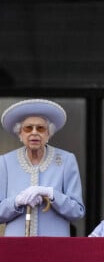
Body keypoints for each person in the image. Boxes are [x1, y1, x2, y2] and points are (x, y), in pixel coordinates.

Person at [0, 99, 85, 236]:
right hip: (16, 247)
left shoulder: (66, 160)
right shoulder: (5, 162)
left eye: (40, 128)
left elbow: (77, 212)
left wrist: (51, 194)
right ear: (20, 134)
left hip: (54, 246)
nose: (34, 133)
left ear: (48, 134)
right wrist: (16, 202)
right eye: (28, 128)